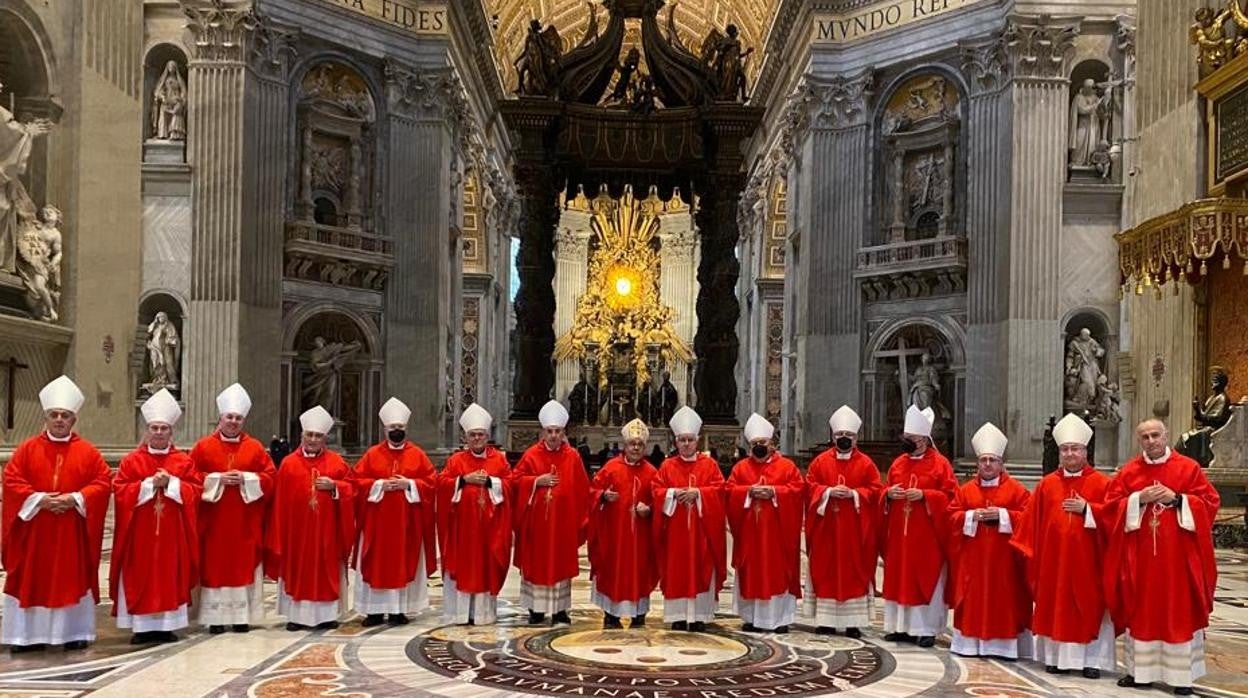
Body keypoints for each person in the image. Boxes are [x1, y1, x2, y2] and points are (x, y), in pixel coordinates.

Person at [1103, 419, 1220, 696]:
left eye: (1155, 435)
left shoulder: (1188, 468)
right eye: (1144, 437)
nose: (1151, 440)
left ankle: (1181, 677)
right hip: (1140, 561)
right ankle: (1139, 672)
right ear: (1139, 440)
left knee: (1178, 611)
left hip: (1178, 561)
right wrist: (1137, 499)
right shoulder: (1129, 472)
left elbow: (1210, 502)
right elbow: (1110, 508)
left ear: (1166, 436)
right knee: (1141, 609)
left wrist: (1178, 499)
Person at [2, 376, 111, 652]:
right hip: (35, 533)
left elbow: (102, 483)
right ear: (47, 417)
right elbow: (12, 481)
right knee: (32, 578)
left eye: (65, 415)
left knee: (69, 579)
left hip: (70, 533)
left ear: (73, 420)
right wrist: (39, 499)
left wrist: (74, 499)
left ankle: (72, 633)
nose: (59, 419)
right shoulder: (27, 449)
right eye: (54, 415)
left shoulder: (88, 453)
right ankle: (26, 637)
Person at [1011, 413, 1115, 678]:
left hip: (1088, 563)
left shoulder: (1103, 483)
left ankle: (1092, 661)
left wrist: (1089, 509)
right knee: (1055, 607)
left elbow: (1116, 518)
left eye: (1075, 449)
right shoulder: (1046, 485)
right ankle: (1055, 658)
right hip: (1053, 563)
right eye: (1065, 449)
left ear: (1085, 451)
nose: (1070, 453)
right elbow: (1029, 522)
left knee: (1088, 608)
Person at [111, 388, 200, 644]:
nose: (159, 432)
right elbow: (120, 490)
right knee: (140, 575)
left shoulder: (183, 462)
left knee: (169, 575)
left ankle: (166, 626)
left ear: (172, 432)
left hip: (172, 535)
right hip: (140, 535)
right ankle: (141, 628)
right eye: (154, 428)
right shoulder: (131, 461)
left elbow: (195, 491)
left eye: (164, 428)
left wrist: (172, 483)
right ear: (147, 430)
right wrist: (150, 484)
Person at [191, 383, 275, 634]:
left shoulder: (255, 447)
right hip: (215, 522)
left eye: (238, 418)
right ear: (221, 417)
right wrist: (216, 479)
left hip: (244, 522)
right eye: (229, 417)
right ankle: (215, 618)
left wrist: (248, 479)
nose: (233, 421)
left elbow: (270, 476)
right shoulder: (203, 446)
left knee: (243, 565)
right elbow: (190, 477)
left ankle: (242, 617)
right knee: (215, 565)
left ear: (244, 420)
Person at [266, 406, 356, 631]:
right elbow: (279, 502)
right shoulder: (288, 464)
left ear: (325, 438)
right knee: (298, 570)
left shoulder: (336, 463)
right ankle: (296, 616)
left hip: (327, 532)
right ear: (302, 436)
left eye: (318, 436)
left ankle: (326, 615)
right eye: (310, 435)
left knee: (326, 570)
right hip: (296, 532)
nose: (313, 439)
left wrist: (335, 486)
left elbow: (352, 489)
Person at [947, 423, 1032, 659]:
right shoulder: (965, 491)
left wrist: (1003, 515)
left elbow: (1029, 517)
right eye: (983, 460)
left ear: (1001, 463)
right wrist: (971, 516)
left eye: (992, 460)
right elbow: (951, 517)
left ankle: (1003, 648)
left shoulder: (1017, 490)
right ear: (978, 463)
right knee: (973, 599)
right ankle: (969, 645)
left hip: (1005, 561)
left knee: (1004, 599)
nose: (987, 464)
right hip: (973, 560)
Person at [350, 398, 437, 627]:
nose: (396, 431)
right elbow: (356, 481)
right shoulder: (372, 454)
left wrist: (409, 484)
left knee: (403, 563)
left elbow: (431, 482)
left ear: (405, 429)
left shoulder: (417, 455)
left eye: (400, 428)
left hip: (406, 525)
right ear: (385, 429)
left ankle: (400, 610)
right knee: (376, 564)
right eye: (392, 428)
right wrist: (379, 485)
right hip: (377, 525)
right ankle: (374, 612)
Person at [879, 405, 958, 647]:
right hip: (900, 537)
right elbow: (885, 490)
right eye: (907, 438)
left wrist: (925, 496)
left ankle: (926, 629)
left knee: (925, 579)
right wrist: (888, 495)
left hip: (927, 537)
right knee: (899, 578)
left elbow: (952, 497)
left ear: (924, 440)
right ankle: (899, 627)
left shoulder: (940, 464)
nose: (908, 442)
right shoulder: (898, 464)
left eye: (912, 438)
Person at [804, 405, 882, 637]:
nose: (844, 438)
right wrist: (827, 492)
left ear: (856, 438)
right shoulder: (820, 462)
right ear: (833, 436)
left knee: (853, 571)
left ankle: (853, 622)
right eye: (839, 435)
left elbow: (876, 490)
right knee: (826, 569)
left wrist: (854, 494)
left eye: (848, 435)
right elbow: (809, 487)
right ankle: (825, 620)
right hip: (826, 529)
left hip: (854, 532)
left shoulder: (866, 463)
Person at [512, 400, 590, 625]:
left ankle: (560, 610)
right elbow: (515, 481)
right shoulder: (531, 455)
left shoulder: (573, 456)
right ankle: (536, 610)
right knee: (536, 565)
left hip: (563, 525)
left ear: (563, 432)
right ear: (542, 432)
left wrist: (580, 519)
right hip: (537, 526)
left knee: (560, 566)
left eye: (557, 431)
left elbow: (583, 488)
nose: (554, 435)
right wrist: (536, 480)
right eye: (550, 431)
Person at [726, 414, 804, 633]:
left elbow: (798, 490)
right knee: (751, 571)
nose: (759, 447)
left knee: (777, 571)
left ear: (772, 444)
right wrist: (748, 491)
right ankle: (751, 617)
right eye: (754, 444)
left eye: (763, 443)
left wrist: (774, 492)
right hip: (750, 535)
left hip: (778, 535)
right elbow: (729, 491)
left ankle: (779, 619)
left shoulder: (787, 467)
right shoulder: (741, 468)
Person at [652, 406, 727, 631]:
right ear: (676, 442)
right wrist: (673, 493)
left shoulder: (709, 465)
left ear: (697, 440)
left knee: (702, 567)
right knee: (677, 570)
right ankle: (678, 615)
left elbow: (720, 489)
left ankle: (700, 617)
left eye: (690, 440)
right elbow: (656, 490)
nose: (686, 444)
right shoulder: (667, 466)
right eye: (682, 440)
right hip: (676, 533)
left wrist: (700, 494)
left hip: (702, 531)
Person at [437, 403, 512, 625]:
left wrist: (491, 481)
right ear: (465, 437)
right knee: (463, 566)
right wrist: (463, 480)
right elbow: (441, 483)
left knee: (485, 568)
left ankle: (482, 615)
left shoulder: (499, 459)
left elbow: (510, 484)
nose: (477, 439)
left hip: (490, 528)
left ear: (487, 436)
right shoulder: (456, 460)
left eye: (480, 435)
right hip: (463, 529)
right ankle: (459, 614)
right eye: (472, 435)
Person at [589, 418, 659, 628]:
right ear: (624, 445)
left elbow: (660, 500)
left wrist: (650, 510)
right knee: (613, 570)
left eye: (639, 444)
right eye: (632, 444)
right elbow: (591, 491)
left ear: (644, 447)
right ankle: (611, 614)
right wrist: (602, 496)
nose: (635, 448)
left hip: (641, 537)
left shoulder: (652, 473)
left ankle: (639, 613)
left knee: (641, 572)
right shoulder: (611, 468)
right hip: (614, 535)